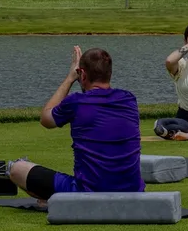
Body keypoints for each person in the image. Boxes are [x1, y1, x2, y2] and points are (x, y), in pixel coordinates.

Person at [8, 46, 144, 204]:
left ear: (83, 74)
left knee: (16, 169)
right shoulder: (129, 99)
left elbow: (46, 119)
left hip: (87, 193)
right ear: (109, 74)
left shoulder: (76, 102)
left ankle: (52, 200)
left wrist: (70, 77)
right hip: (133, 192)